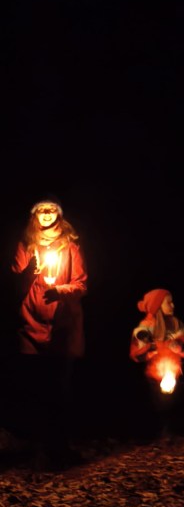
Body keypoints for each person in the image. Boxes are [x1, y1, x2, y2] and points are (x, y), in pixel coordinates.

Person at [8, 195, 88, 470]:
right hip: (30, 324)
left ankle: (60, 447)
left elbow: (81, 284)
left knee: (60, 388)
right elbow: (13, 285)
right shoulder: (26, 245)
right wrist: (30, 272)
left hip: (62, 326)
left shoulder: (70, 246)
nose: (46, 214)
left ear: (58, 214)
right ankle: (38, 449)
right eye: (41, 210)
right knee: (34, 388)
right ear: (34, 215)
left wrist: (60, 290)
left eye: (51, 209)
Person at [129, 289, 184, 436]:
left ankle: (179, 428)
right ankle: (162, 430)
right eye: (168, 303)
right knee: (160, 403)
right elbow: (136, 353)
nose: (173, 305)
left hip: (175, 372)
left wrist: (180, 349)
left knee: (177, 401)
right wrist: (149, 352)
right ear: (157, 306)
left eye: (172, 302)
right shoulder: (144, 328)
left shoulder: (176, 324)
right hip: (155, 375)